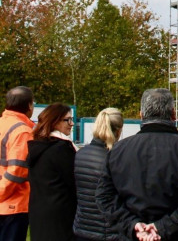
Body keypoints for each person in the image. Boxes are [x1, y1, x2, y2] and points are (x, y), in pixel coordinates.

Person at [96, 88, 178, 241]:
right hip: (175, 233)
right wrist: (137, 225)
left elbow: (104, 197)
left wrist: (140, 226)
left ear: (141, 115)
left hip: (145, 233)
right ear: (173, 114)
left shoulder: (118, 150)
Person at [27, 102, 77, 241]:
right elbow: (73, 182)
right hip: (61, 216)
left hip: (38, 212)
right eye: (67, 120)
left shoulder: (37, 147)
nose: (71, 124)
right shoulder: (62, 149)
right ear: (54, 122)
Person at [73, 107, 124, 241]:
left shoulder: (80, 154)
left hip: (82, 227)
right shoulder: (115, 159)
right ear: (118, 131)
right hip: (109, 230)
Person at [0, 86, 34, 241]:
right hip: (12, 206)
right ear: (29, 106)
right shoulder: (22, 131)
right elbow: (16, 173)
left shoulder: (3, 123)